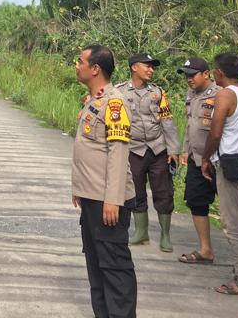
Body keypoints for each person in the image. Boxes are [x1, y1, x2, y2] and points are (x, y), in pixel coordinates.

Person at [71, 44, 137, 318]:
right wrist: (80, 190)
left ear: (95, 68)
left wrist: (113, 199)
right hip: (91, 197)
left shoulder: (114, 104)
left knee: (114, 268)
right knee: (96, 267)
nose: (76, 65)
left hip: (107, 201)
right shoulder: (94, 100)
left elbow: (118, 153)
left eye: (80, 61)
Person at [201, 52, 238, 296]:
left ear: (219, 73)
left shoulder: (224, 94)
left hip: (231, 164)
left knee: (232, 222)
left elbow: (215, 134)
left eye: (215, 70)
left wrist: (205, 158)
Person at [115, 52, 179, 252]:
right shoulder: (120, 92)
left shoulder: (158, 93)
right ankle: (141, 233)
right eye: (147, 66)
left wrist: (173, 149)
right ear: (134, 67)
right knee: (136, 191)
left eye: (152, 67)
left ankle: (165, 236)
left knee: (164, 192)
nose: (151, 70)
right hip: (133, 149)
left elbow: (167, 121)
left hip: (157, 148)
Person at [177, 57, 218, 264]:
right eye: (186, 75)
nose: (189, 79)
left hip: (218, 159)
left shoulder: (220, 94)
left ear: (206, 74)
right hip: (196, 157)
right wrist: (186, 150)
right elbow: (190, 125)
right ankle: (205, 249)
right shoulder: (191, 95)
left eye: (192, 74)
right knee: (196, 201)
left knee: (234, 208)